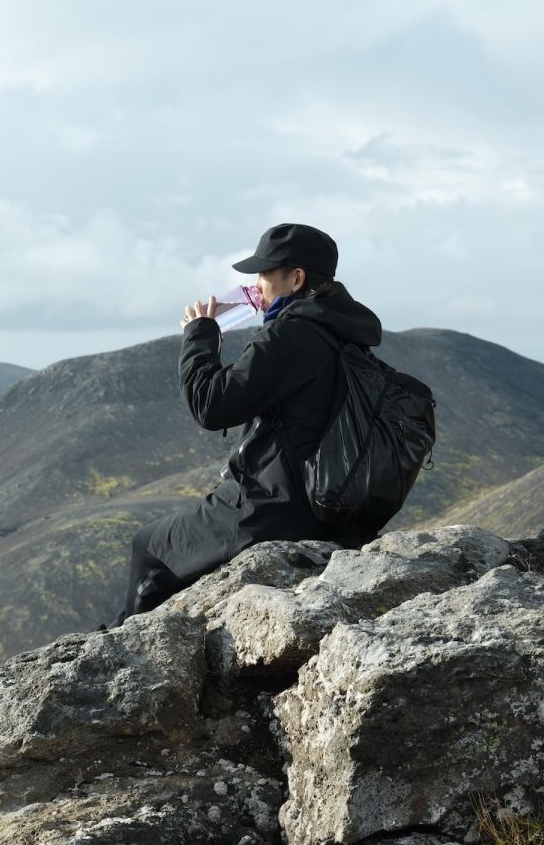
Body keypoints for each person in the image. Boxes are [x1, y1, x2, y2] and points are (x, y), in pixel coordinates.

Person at [116, 222, 383, 624]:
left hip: (273, 505)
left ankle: (132, 643)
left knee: (149, 546)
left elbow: (210, 406)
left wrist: (200, 335)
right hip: (331, 505)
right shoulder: (344, 333)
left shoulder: (290, 335)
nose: (256, 284)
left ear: (296, 278)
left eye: (264, 273)